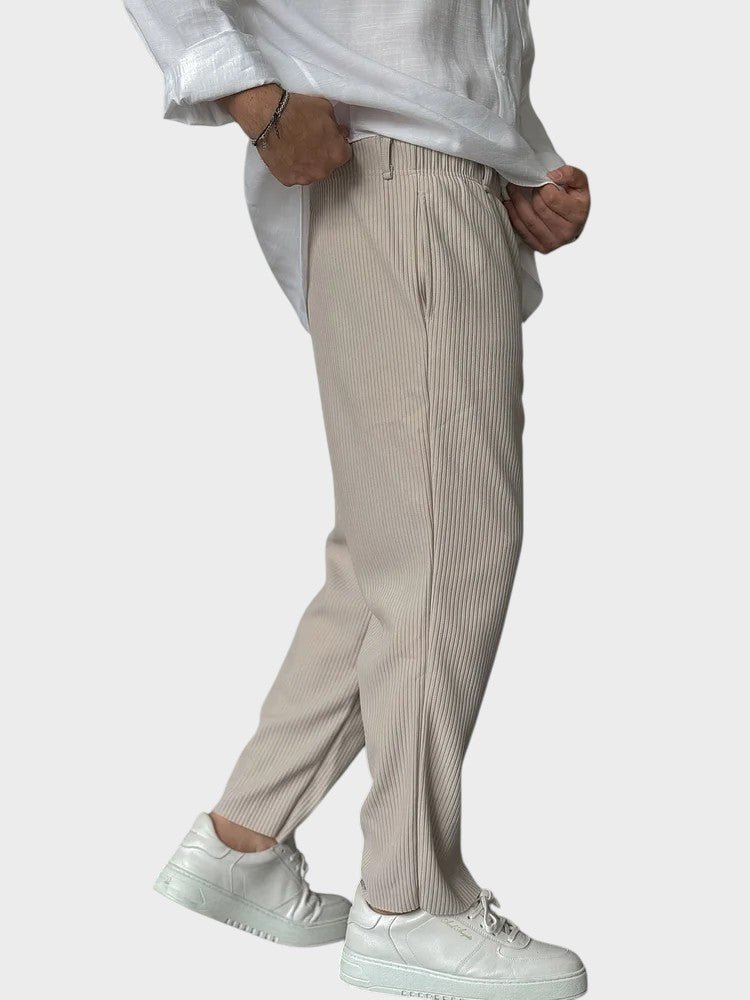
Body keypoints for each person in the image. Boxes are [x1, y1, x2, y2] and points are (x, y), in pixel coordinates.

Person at [125, 2, 591, 997]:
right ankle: (410, 904)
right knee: (446, 549)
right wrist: (254, 101)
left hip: (430, 175)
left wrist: (525, 165)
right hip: (399, 174)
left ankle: (244, 838)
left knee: (395, 549)